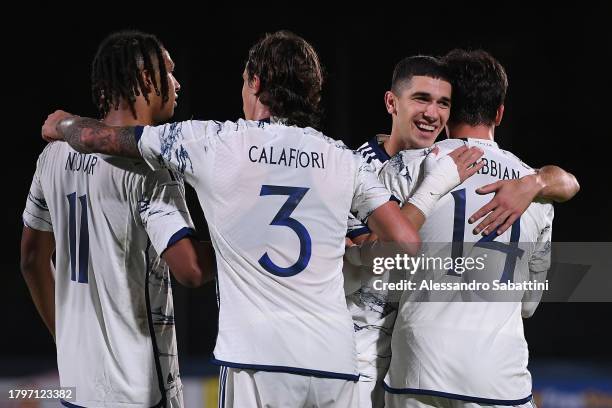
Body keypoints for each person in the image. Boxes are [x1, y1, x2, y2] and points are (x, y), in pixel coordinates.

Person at [41, 31, 484, 407]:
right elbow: (406, 242)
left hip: (256, 362)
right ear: (312, 93)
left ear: (255, 82)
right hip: (335, 362)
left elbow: (100, 137)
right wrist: (436, 183)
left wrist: (62, 126)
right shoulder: (343, 159)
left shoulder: (213, 141)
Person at [345, 55, 579, 408]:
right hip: (500, 377)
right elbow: (529, 304)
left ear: (448, 110)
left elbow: (375, 258)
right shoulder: (538, 194)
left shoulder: (402, 168)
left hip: (415, 368)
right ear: (499, 113)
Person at [22, 30, 214, 408]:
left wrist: (66, 338)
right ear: (145, 79)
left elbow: (31, 259)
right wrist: (241, 248)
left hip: (77, 388)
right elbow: (190, 269)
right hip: (139, 391)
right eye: (169, 73)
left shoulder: (53, 158)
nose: (177, 84)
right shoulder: (148, 166)